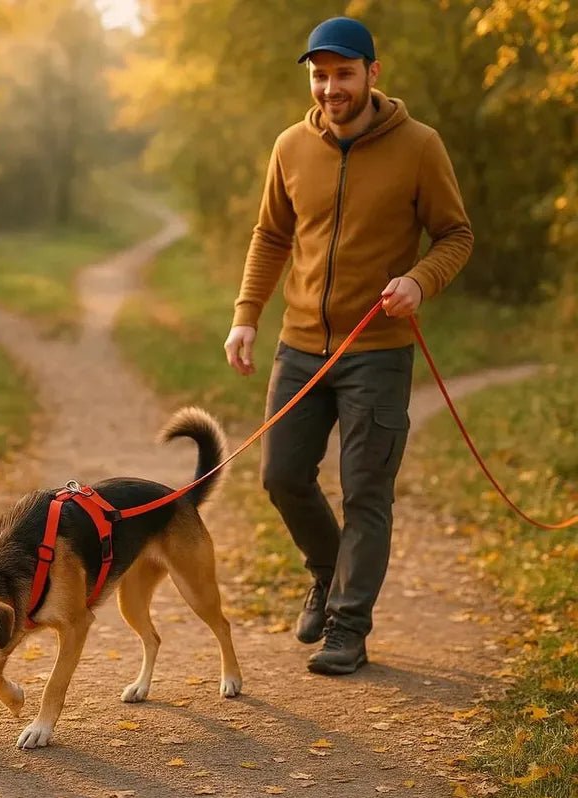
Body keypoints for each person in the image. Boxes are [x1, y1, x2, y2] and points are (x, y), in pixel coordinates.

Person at [223, 16, 473, 675]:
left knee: (365, 489)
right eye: (320, 75)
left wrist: (421, 281)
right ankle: (327, 572)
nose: (330, 88)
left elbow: (456, 235)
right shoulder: (290, 147)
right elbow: (271, 236)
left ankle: (348, 628)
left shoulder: (420, 146)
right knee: (281, 476)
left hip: (378, 350)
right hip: (300, 346)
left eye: (343, 74)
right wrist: (247, 314)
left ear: (372, 74)